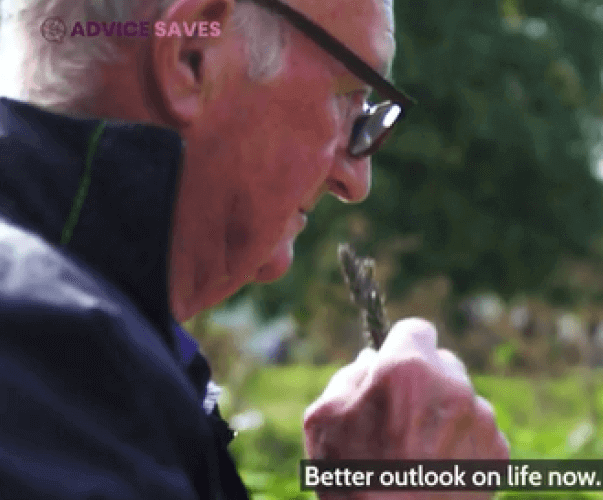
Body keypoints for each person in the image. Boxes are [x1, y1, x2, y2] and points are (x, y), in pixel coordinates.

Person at [0, 0, 509, 498]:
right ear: (192, 55)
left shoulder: (88, 345)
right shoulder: (44, 349)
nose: (356, 180)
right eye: (352, 99)